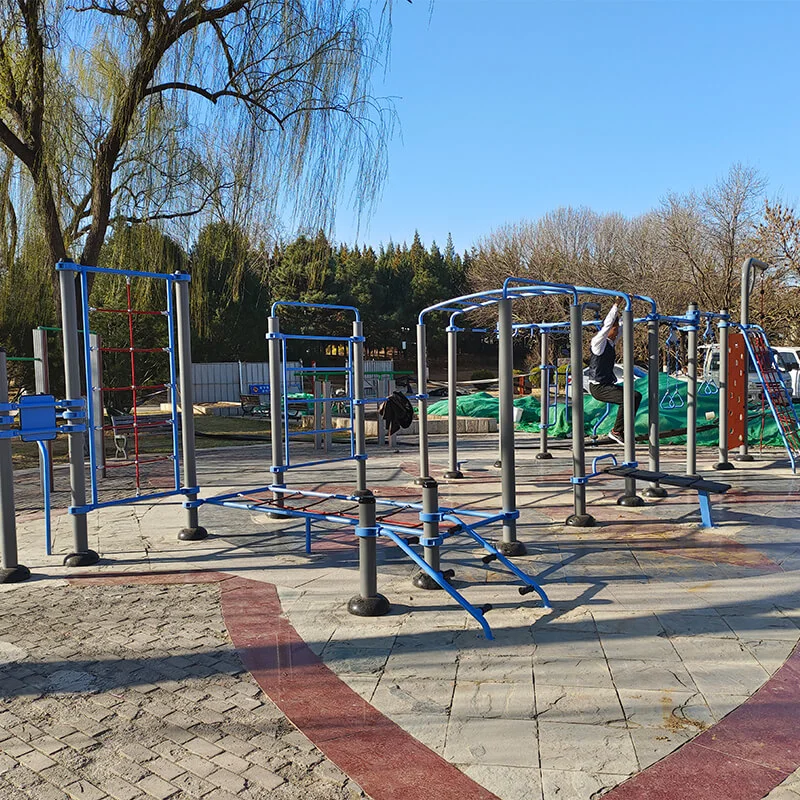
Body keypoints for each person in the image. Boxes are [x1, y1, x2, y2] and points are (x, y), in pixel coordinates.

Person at [586, 303, 641, 446]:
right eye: (614, 330)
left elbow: (621, 326)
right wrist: (616, 305)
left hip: (607, 385)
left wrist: (628, 307)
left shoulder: (610, 343)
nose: (616, 332)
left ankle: (623, 430)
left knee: (635, 396)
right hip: (598, 387)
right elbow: (607, 325)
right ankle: (617, 431)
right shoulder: (598, 343)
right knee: (627, 399)